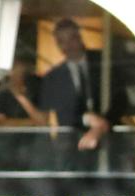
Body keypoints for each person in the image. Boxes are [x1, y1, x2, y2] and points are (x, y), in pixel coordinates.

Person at [38, 18, 108, 155]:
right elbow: (62, 114)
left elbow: (119, 96)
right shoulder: (53, 77)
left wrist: (101, 125)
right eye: (61, 42)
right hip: (72, 147)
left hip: (110, 140)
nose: (68, 46)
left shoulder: (103, 62)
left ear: (79, 37)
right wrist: (88, 119)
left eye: (71, 39)